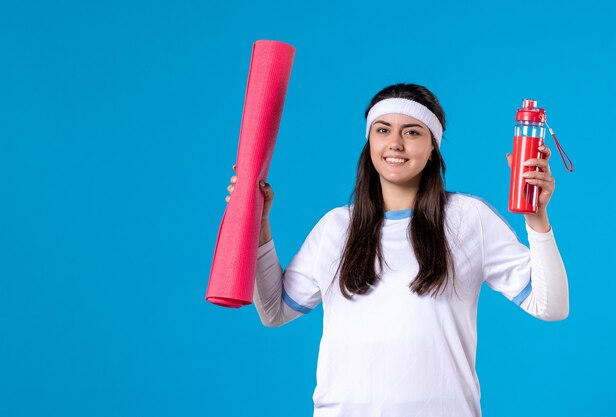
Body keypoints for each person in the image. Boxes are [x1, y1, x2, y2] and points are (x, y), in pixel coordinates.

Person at [225, 83, 569, 417]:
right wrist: (257, 221)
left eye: (412, 132)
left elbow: (550, 306)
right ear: (369, 140)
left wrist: (536, 219)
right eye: (383, 130)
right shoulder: (335, 227)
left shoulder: (469, 219)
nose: (395, 144)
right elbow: (273, 311)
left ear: (433, 146)